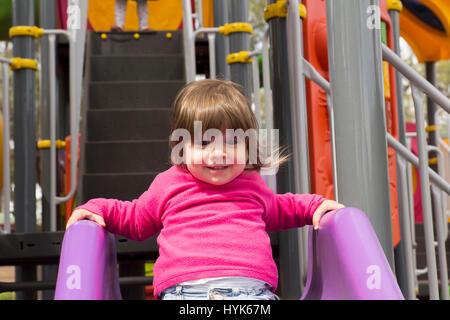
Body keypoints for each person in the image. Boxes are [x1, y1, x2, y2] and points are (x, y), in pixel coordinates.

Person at [66, 79, 345, 300]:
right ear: (181, 147)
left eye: (232, 142)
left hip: (252, 294)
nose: (218, 154)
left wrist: (313, 206)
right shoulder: (170, 183)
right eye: (203, 143)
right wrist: (97, 208)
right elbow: (136, 218)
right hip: (185, 295)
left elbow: (283, 208)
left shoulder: (252, 184)